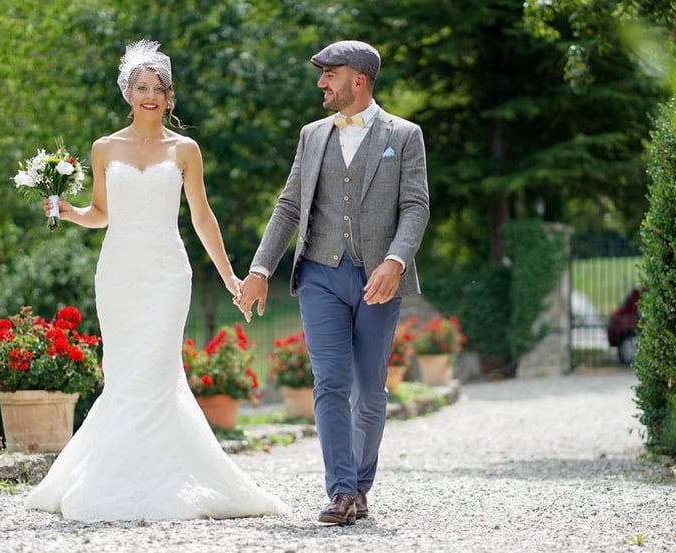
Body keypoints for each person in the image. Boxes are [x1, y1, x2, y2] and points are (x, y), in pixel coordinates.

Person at [24, 39, 287, 522]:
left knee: (159, 371)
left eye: (158, 88)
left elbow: (203, 217)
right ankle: (111, 478)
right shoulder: (104, 148)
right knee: (123, 372)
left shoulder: (185, 149)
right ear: (127, 92)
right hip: (119, 272)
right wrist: (67, 210)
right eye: (141, 87)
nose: (150, 96)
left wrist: (229, 274)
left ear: (169, 97)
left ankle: (170, 481)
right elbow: (101, 214)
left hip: (168, 273)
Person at [236, 40, 429, 525]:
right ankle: (341, 491)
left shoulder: (404, 135)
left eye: (330, 73)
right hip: (320, 273)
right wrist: (260, 270)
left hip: (377, 280)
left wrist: (395, 261)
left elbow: (415, 207)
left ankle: (361, 485)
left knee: (370, 389)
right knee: (329, 382)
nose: (322, 82)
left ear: (358, 79)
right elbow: (288, 207)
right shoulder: (311, 135)